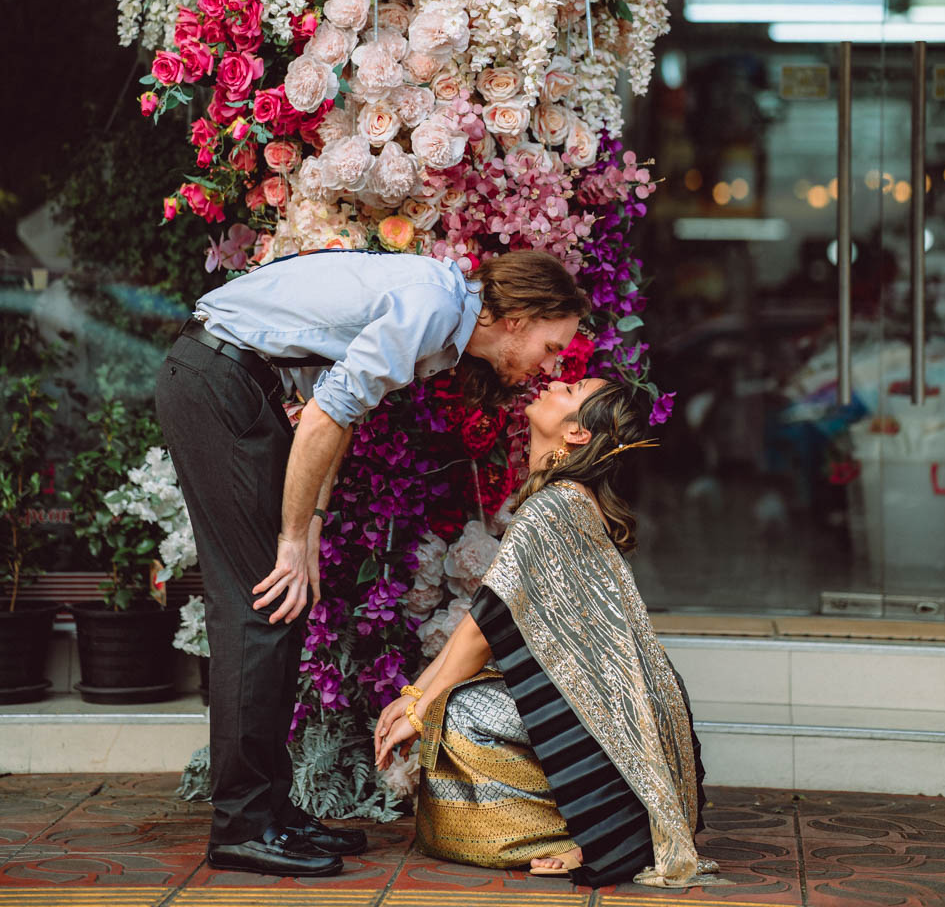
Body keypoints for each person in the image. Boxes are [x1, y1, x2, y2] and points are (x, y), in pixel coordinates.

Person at [155, 248, 589, 878]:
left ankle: (268, 810)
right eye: (551, 347)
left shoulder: (441, 316)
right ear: (517, 319)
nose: (549, 366)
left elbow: (333, 409)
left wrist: (311, 527)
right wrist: (289, 538)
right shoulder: (434, 306)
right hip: (217, 383)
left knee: (280, 608)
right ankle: (242, 826)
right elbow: (326, 415)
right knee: (259, 607)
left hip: (232, 384)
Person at [374, 376, 718, 890]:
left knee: (463, 713)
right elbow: (489, 618)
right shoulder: (567, 501)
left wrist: (418, 708)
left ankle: (590, 832)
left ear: (577, 434)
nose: (555, 379)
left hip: (611, 706)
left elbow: (482, 631)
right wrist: (413, 695)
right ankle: (600, 820)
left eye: (570, 388)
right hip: (628, 704)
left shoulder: (553, 507)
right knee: (462, 698)